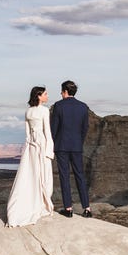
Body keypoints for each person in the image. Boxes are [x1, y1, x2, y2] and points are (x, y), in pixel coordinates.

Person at [5, 86, 55, 227]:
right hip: (42, 145)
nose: (47, 96)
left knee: (30, 175)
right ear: (38, 96)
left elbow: (27, 135)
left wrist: (28, 148)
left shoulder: (28, 111)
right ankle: (42, 204)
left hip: (31, 146)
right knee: (44, 176)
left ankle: (24, 206)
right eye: (45, 94)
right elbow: (48, 132)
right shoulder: (44, 110)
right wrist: (49, 151)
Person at [50, 80, 92, 218]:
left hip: (62, 145)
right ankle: (87, 208)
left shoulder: (58, 106)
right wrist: (79, 141)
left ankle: (68, 208)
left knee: (64, 176)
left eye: (62, 91)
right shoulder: (83, 107)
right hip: (76, 146)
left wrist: (53, 142)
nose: (61, 94)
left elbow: (54, 128)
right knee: (80, 175)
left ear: (65, 91)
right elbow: (85, 128)